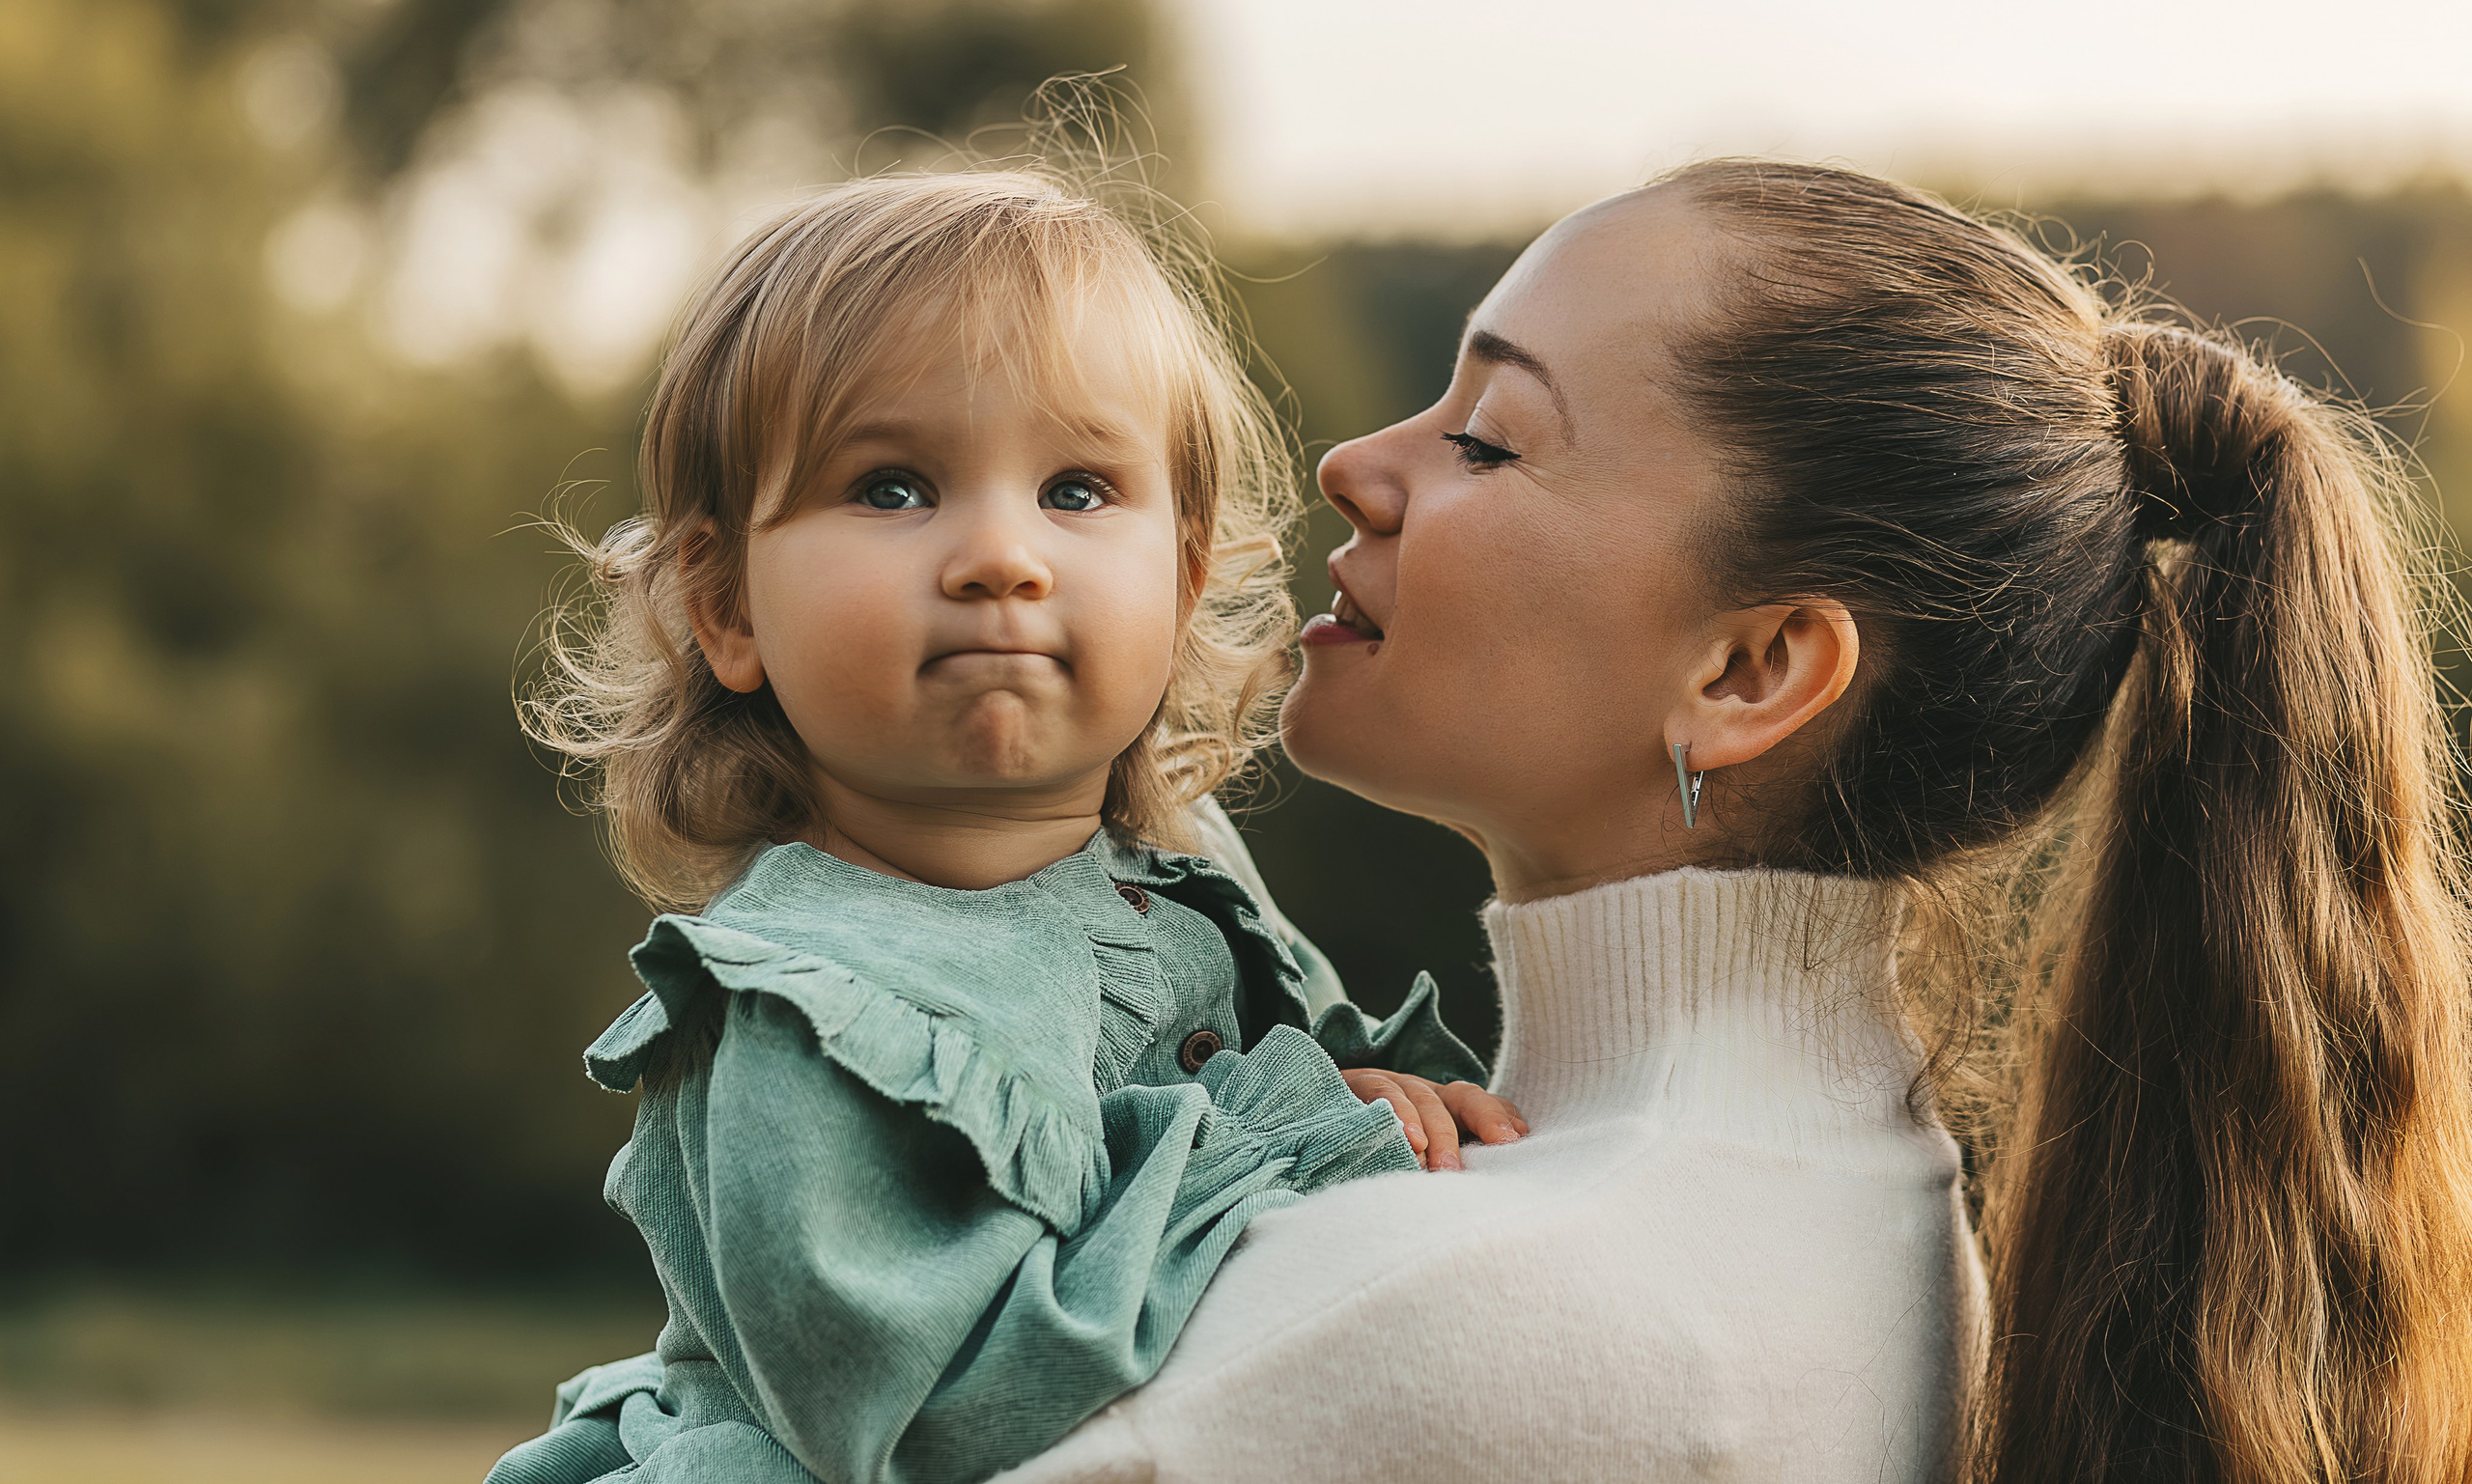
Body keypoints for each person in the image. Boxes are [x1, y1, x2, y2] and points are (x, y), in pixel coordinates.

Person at [1001, 161, 2472, 1483]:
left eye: (1492, 439)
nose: (1358, 468)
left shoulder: (1495, 1304)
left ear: (1751, 672)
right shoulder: (1855, 1220)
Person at [485, 170, 1521, 1484]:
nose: (998, 556)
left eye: (1078, 492)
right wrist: (1276, 1141)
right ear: (728, 602)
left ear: (1186, 572)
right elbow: (931, 1416)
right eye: (895, 488)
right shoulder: (794, 1008)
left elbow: (1321, 1103)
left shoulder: (1188, 864)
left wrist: (1383, 1110)